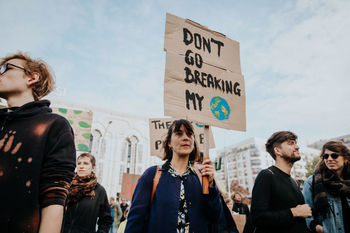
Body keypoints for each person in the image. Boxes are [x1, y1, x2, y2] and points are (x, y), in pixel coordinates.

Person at [0, 52, 76, 233]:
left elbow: (54, 195)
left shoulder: (54, 126)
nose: (0, 73)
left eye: (6, 68)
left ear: (32, 78)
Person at [125, 119, 222, 233]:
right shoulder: (151, 175)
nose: (186, 137)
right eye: (179, 133)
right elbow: (135, 222)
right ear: (169, 143)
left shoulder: (202, 178)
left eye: (189, 134)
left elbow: (214, 217)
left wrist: (211, 186)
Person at [251, 131, 311, 233]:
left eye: (295, 143)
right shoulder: (267, 175)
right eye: (291, 143)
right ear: (278, 151)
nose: (297, 147)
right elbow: (258, 218)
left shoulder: (294, 182)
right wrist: (294, 212)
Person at [302, 141, 350, 233]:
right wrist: (316, 227)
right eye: (326, 156)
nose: (329, 159)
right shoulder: (312, 182)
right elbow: (306, 212)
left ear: (345, 159)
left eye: (334, 155)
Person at [62, 153, 113, 233]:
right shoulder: (67, 186)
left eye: (85, 163)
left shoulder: (99, 191)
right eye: (79, 163)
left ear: (93, 168)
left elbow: (106, 219)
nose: (81, 166)